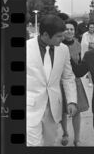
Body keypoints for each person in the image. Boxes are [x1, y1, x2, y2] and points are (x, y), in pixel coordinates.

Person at [27, 14, 77, 146]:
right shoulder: (26, 48)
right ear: (45, 35)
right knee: (34, 144)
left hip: (54, 108)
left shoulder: (64, 50)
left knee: (49, 143)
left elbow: (68, 76)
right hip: (30, 108)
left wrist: (72, 100)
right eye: (59, 36)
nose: (63, 38)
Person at [60, 20, 89, 147]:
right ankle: (65, 133)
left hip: (75, 82)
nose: (69, 31)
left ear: (74, 31)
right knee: (62, 112)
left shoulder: (78, 45)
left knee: (76, 111)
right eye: (66, 29)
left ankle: (77, 139)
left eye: (72, 29)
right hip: (60, 82)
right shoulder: (57, 45)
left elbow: (81, 64)